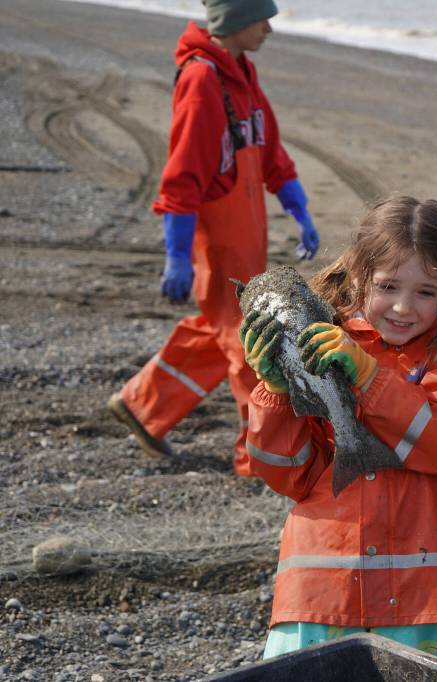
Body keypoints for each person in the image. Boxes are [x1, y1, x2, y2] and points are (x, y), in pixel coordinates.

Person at [237, 195, 437, 659]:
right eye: (388, 286)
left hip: (416, 596)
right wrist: (276, 393)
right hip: (318, 587)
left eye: (425, 292)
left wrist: (371, 378)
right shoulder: (320, 340)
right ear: (358, 276)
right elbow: (286, 473)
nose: (403, 307)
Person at [107, 0, 320, 475]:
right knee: (248, 342)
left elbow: (269, 152)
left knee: (219, 331)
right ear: (235, 20)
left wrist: (297, 206)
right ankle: (257, 459)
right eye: (261, 17)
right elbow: (181, 174)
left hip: (249, 239)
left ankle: (141, 407)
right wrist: (177, 255)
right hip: (220, 245)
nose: (269, 27)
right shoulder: (202, 79)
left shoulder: (242, 71)